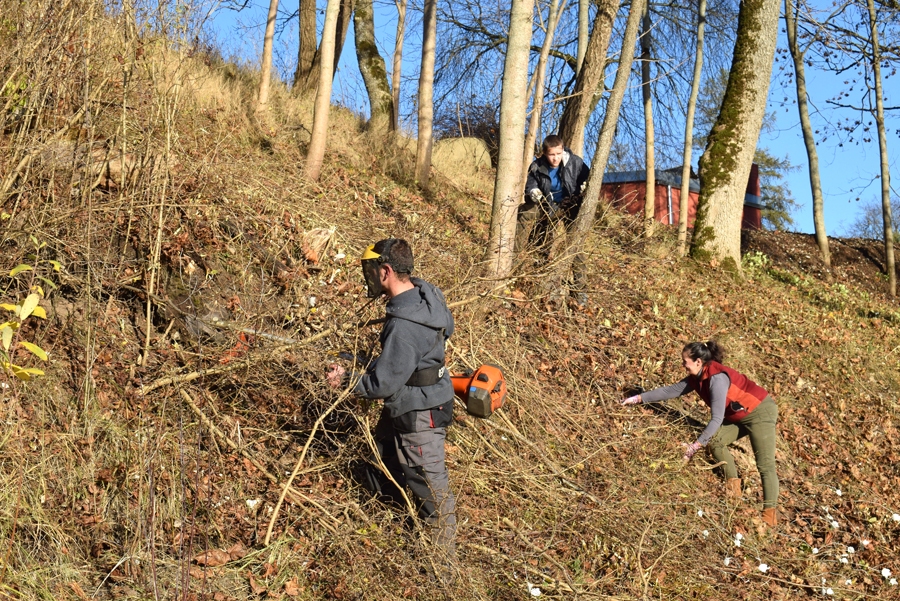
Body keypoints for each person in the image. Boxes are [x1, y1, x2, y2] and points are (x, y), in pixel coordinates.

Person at [326, 238, 458, 574]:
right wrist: (367, 362)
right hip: (426, 398)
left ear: (386, 271)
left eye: (372, 272)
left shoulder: (404, 325)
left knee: (433, 493)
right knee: (383, 461)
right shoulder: (427, 294)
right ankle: (395, 525)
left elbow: (382, 385)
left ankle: (442, 572)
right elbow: (422, 349)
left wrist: (346, 379)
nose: (370, 278)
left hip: (419, 414)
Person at [619, 341, 780, 527]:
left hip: (760, 412)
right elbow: (671, 391)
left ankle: (769, 517)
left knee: (764, 463)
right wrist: (639, 398)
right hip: (738, 414)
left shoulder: (717, 379)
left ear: (698, 362)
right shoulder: (697, 377)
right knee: (716, 442)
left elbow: (716, 418)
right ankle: (734, 490)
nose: (683, 365)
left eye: (685, 362)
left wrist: (694, 446)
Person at [516, 134, 590, 257]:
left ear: (563, 150)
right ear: (545, 153)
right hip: (547, 205)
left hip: (570, 205)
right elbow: (530, 186)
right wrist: (533, 192)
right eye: (551, 154)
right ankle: (515, 256)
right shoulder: (536, 166)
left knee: (575, 240)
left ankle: (578, 269)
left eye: (558, 153)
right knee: (524, 214)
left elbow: (589, 177)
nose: (556, 158)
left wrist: (586, 186)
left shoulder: (575, 162)